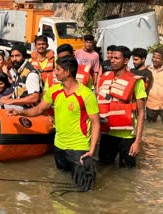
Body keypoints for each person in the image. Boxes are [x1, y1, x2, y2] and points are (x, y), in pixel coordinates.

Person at [7, 55, 100, 191]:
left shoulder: (86, 95)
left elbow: (96, 123)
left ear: (67, 72)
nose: (54, 72)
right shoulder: (54, 91)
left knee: (84, 189)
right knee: (61, 178)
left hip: (79, 148)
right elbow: (39, 109)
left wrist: (92, 150)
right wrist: (19, 112)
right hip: (59, 146)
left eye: (57, 69)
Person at [97, 46, 147, 168]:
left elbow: (141, 113)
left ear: (125, 61)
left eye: (116, 58)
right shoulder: (105, 77)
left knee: (128, 172)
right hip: (107, 134)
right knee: (103, 168)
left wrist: (137, 142)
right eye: (111, 58)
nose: (112, 60)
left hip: (127, 136)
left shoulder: (136, 81)